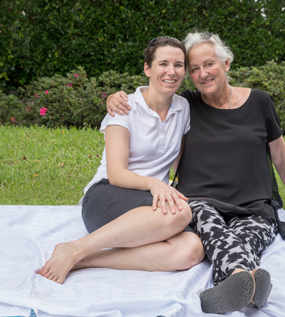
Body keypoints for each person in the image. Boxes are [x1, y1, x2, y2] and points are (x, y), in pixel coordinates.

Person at [107, 31, 285, 314]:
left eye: (209, 64)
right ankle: (248, 282)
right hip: (200, 202)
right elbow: (152, 93)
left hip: (254, 207)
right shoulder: (186, 104)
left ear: (226, 63)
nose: (203, 74)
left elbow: (281, 155)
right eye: (195, 69)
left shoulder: (260, 102)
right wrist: (116, 98)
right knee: (217, 233)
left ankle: (236, 283)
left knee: (244, 240)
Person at [38, 36, 205, 285]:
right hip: (106, 196)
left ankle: (82, 258)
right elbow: (116, 173)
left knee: (191, 251)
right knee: (180, 212)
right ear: (147, 68)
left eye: (178, 65)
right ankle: (76, 247)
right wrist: (155, 184)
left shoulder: (184, 107)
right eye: (163, 64)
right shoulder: (125, 106)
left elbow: (180, 161)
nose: (171, 71)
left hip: (151, 208)